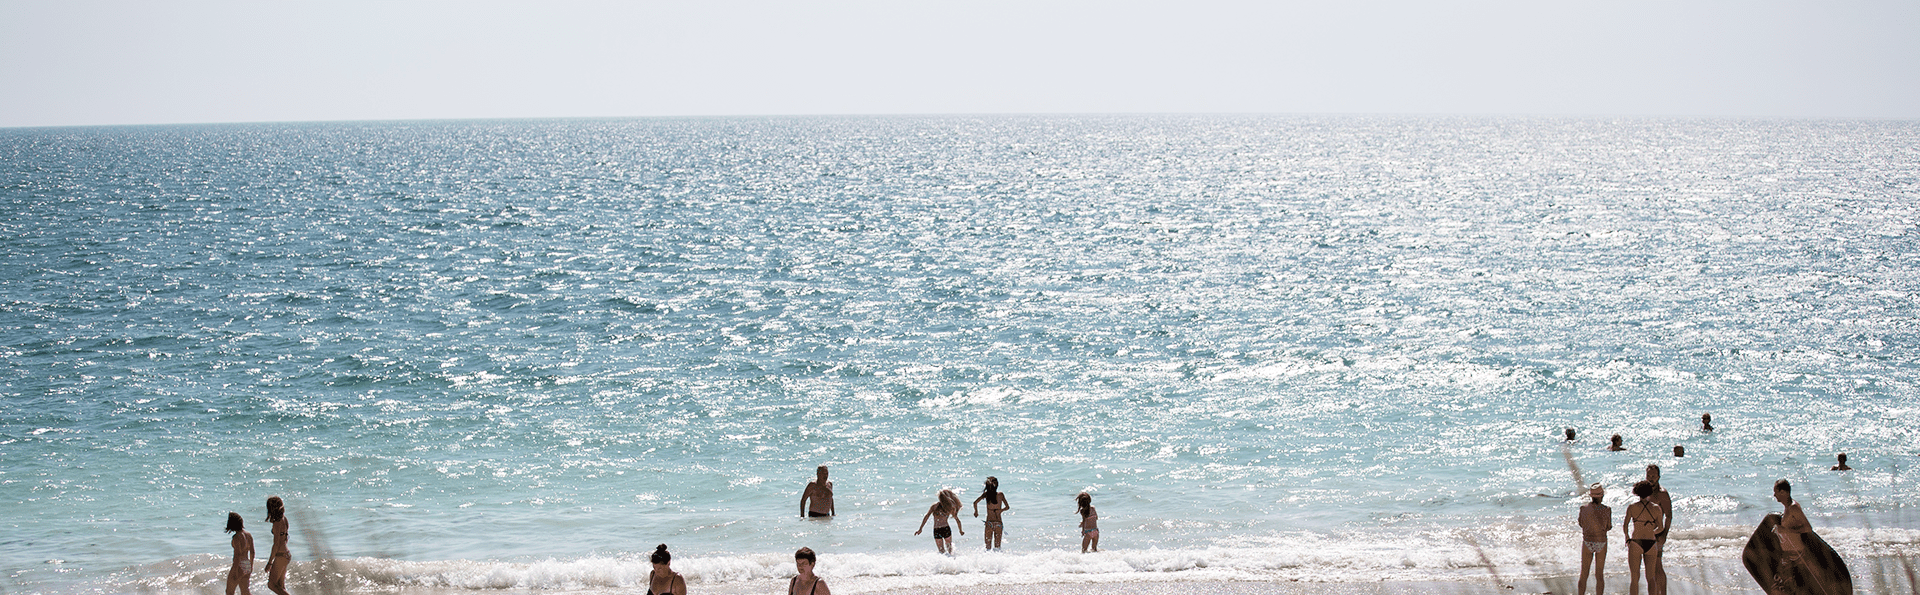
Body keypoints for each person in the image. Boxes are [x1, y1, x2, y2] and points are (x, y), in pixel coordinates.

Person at [1622, 480, 1666, 595]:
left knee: (1634, 578)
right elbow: (1661, 528)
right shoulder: (1656, 508)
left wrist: (1627, 537)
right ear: (1649, 492)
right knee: (1651, 578)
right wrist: (1652, 532)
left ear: (1636, 492)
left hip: (1636, 542)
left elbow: (1625, 525)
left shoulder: (1632, 507)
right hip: (1651, 543)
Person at [1772, 479, 1812, 592]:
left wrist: (1784, 530)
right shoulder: (1788, 507)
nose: (1774, 495)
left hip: (1797, 557)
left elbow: (1808, 528)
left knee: (1788, 590)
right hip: (1789, 557)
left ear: (1783, 492)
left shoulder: (1794, 508)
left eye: (1776, 492)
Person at [1577, 484, 1611, 595]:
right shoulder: (1607, 509)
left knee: (1584, 573)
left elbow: (1581, 523)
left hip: (1588, 541)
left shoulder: (1583, 509)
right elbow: (1608, 526)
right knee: (1599, 574)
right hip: (1601, 541)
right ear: (1602, 496)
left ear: (1591, 496)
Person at [1645, 466, 1673, 594]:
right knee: (1649, 568)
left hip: (1657, 534)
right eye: (1649, 476)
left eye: (1653, 476)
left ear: (1659, 477)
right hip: (1645, 534)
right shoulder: (1644, 491)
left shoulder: (1662, 493)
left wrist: (1664, 534)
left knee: (1657, 565)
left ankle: (1663, 592)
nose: (1651, 478)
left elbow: (1669, 516)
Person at [915, 489, 965, 554]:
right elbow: (958, 521)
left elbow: (926, 517)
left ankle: (948, 560)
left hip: (939, 530)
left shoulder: (940, 506)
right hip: (943, 529)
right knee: (948, 550)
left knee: (943, 551)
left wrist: (920, 529)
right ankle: (950, 559)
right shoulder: (944, 507)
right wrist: (960, 530)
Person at [971, 476, 1011, 550]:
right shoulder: (1000, 495)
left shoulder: (986, 495)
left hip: (989, 523)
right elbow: (1007, 507)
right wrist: (1000, 510)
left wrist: (976, 512)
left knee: (988, 548)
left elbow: (975, 502)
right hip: (998, 523)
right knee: (997, 548)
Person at [263, 497, 292, 595]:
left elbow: (276, 544)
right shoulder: (284, 519)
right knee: (280, 586)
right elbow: (286, 538)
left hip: (280, 555)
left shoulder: (277, 523)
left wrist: (270, 562)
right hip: (286, 554)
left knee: (271, 584)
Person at [225, 512, 256, 595]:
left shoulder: (236, 537)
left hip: (239, 565)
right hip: (247, 564)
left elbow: (237, 555)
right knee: (245, 592)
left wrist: (235, 570)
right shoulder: (248, 535)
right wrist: (251, 565)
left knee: (229, 592)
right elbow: (252, 552)